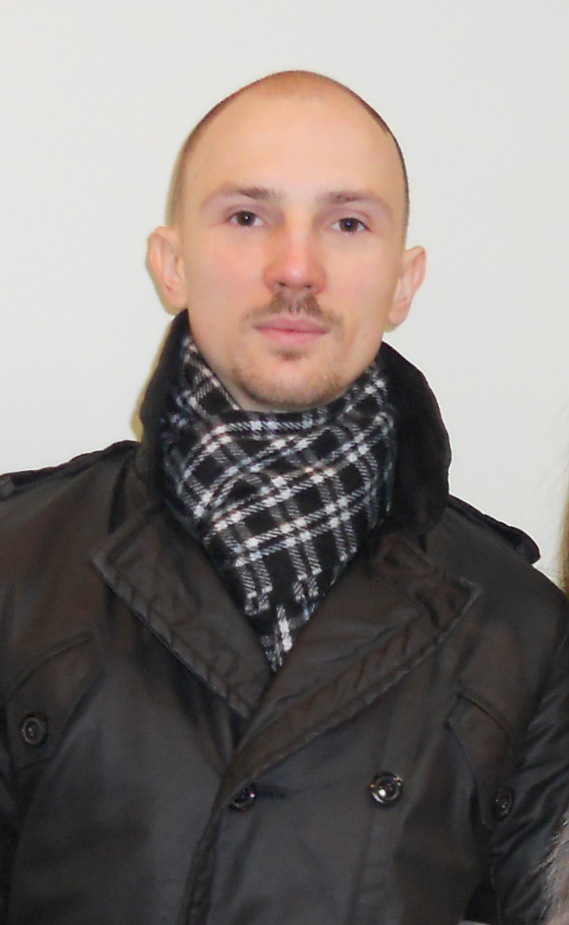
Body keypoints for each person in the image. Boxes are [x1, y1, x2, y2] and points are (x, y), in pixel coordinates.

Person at [0, 70, 568, 925]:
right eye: (246, 216)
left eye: (347, 223)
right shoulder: (18, 565)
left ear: (403, 281)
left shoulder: (519, 628)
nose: (295, 267)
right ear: (172, 264)